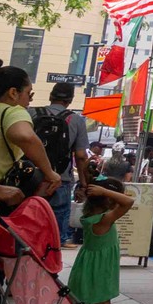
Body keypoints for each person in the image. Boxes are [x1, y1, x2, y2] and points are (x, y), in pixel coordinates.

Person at [64, 177, 133, 304]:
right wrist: (105, 191)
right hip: (97, 273)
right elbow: (129, 202)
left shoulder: (92, 217)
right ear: (109, 199)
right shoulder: (104, 220)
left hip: (84, 270)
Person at [38, 81, 91, 245]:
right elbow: (81, 156)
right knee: (55, 232)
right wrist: (83, 185)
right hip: (60, 180)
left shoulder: (31, 113)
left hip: (31, 178)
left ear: (50, 96)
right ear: (70, 100)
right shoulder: (76, 120)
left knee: (28, 223)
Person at [0, 66, 58, 199]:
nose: (30, 100)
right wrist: (50, 173)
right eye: (29, 93)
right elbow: (25, 136)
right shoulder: (12, 111)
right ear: (13, 93)